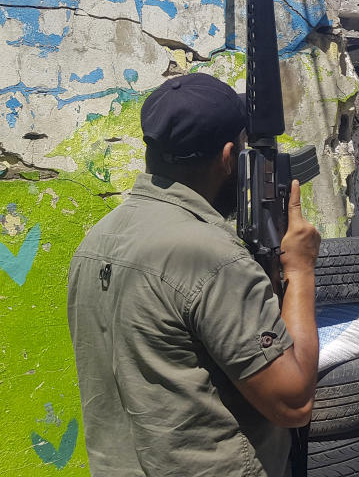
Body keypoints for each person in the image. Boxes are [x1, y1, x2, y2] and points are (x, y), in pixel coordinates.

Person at [67, 73, 320, 476]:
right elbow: (293, 404)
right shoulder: (212, 257)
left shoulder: (96, 240)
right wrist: (301, 271)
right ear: (227, 158)